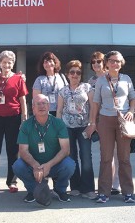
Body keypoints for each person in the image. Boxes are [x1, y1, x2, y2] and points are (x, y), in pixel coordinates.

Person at [89, 50, 135, 204]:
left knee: (124, 158)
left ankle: (128, 192)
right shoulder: (101, 80)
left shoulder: (127, 78)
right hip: (105, 119)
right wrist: (93, 122)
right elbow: (96, 103)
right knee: (106, 158)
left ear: (121, 63)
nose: (115, 63)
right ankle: (103, 193)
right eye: (111, 61)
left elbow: (133, 98)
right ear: (107, 63)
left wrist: (131, 111)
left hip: (123, 120)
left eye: (117, 61)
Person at [12, 94, 75, 205]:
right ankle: (34, 190)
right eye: (38, 104)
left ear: (49, 106)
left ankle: (59, 190)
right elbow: (23, 151)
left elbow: (66, 150)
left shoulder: (58, 123)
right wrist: (36, 165)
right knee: (18, 166)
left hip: (54, 164)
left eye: (44, 103)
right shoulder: (26, 125)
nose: (42, 106)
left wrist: (49, 165)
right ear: (33, 108)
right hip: (33, 166)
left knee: (70, 164)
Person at [0, 50, 28, 194]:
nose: (7, 65)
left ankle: (12, 181)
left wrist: (24, 116)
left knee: (12, 151)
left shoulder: (18, 78)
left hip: (13, 117)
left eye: (10, 62)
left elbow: (22, 99)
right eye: (4, 62)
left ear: (13, 63)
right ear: (0, 63)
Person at [56, 60, 96, 199]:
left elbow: (93, 107)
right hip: (67, 127)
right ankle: (75, 187)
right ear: (67, 74)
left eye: (78, 72)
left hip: (84, 126)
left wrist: (92, 124)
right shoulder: (63, 91)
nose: (75, 75)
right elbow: (59, 111)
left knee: (86, 156)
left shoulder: (87, 88)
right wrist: (58, 129)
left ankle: (88, 188)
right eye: (72, 72)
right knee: (71, 157)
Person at [87, 51, 120, 196]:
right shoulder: (90, 82)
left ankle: (116, 184)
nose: (96, 64)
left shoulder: (112, 77)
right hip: (99, 119)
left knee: (116, 153)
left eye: (98, 62)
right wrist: (92, 121)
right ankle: (106, 182)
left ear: (104, 63)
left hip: (114, 117)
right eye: (93, 62)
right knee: (105, 153)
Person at [32, 52, 68, 116]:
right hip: (45, 113)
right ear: (42, 65)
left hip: (61, 112)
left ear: (55, 63)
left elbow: (67, 94)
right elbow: (35, 99)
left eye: (50, 61)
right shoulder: (39, 80)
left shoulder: (61, 77)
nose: (48, 64)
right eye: (45, 62)